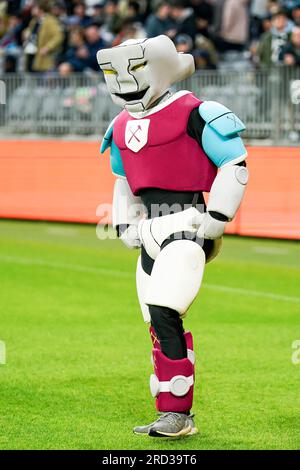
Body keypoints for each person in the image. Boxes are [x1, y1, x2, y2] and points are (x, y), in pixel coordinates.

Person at [97, 34, 248, 438]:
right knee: (157, 321)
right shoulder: (122, 123)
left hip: (187, 222)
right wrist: (126, 224)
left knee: (165, 310)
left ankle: (177, 413)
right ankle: (173, 409)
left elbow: (234, 162)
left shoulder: (196, 112)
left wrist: (218, 214)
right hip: (149, 228)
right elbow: (123, 180)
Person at [23, 0, 63, 72]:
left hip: (43, 56)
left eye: (34, 8)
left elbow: (59, 36)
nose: (32, 10)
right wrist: (26, 33)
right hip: (31, 52)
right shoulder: (34, 21)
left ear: (40, 9)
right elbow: (30, 31)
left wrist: (48, 47)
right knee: (31, 73)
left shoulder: (50, 21)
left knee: (41, 76)